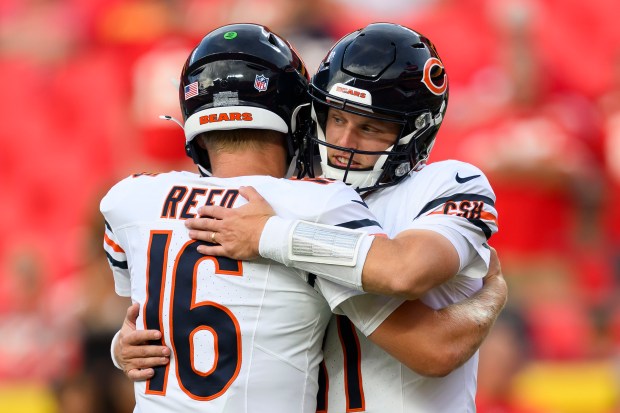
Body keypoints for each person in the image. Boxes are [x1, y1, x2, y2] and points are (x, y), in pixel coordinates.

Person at [112, 23, 505, 412]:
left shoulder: (447, 182)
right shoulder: (298, 195)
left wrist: (275, 235)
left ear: (416, 132)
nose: (344, 144)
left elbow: (410, 275)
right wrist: (136, 340)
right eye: (337, 118)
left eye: (370, 127)